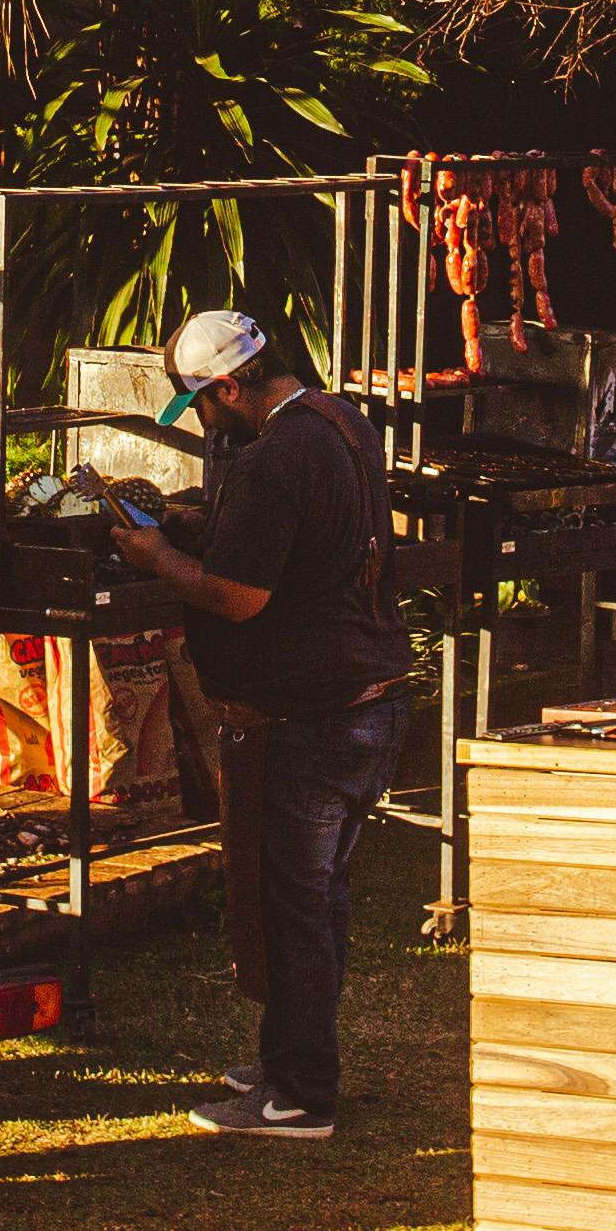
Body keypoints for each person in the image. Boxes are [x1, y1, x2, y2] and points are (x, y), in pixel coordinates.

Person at [111, 305, 401, 1142]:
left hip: (316, 717)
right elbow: (305, 544)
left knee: (292, 903)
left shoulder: (276, 457)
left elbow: (241, 596)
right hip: (367, 698)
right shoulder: (340, 419)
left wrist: (158, 558)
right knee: (316, 897)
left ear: (230, 387)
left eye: (202, 403)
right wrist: (206, 526)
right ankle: (289, 1055)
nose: (203, 421)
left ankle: (301, 1093)